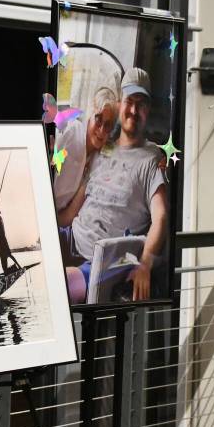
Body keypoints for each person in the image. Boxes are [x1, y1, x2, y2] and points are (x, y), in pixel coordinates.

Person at [58, 67, 169, 302]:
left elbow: (160, 217)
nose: (134, 110)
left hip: (102, 262)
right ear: (120, 105)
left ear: (147, 110)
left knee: (55, 286)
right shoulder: (102, 150)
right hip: (71, 238)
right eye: (130, 101)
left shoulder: (151, 159)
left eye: (141, 104)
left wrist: (145, 265)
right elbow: (77, 205)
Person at [53, 85, 119, 211]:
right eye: (98, 119)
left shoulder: (97, 157)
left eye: (108, 125)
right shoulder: (71, 131)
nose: (101, 130)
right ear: (90, 114)